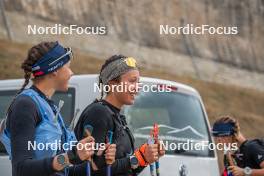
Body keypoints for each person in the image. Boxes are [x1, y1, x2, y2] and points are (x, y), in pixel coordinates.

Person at [0, 41, 116, 176]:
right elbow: (21, 169)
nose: (72, 73)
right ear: (54, 69)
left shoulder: (50, 106)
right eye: (68, 67)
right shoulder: (25, 105)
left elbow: (62, 170)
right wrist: (70, 156)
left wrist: (98, 161)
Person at [75, 55, 165, 176]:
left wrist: (145, 157)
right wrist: (139, 157)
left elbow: (126, 170)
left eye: (138, 82)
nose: (137, 88)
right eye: (132, 81)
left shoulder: (117, 116)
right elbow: (95, 169)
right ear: (112, 84)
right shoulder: (99, 113)